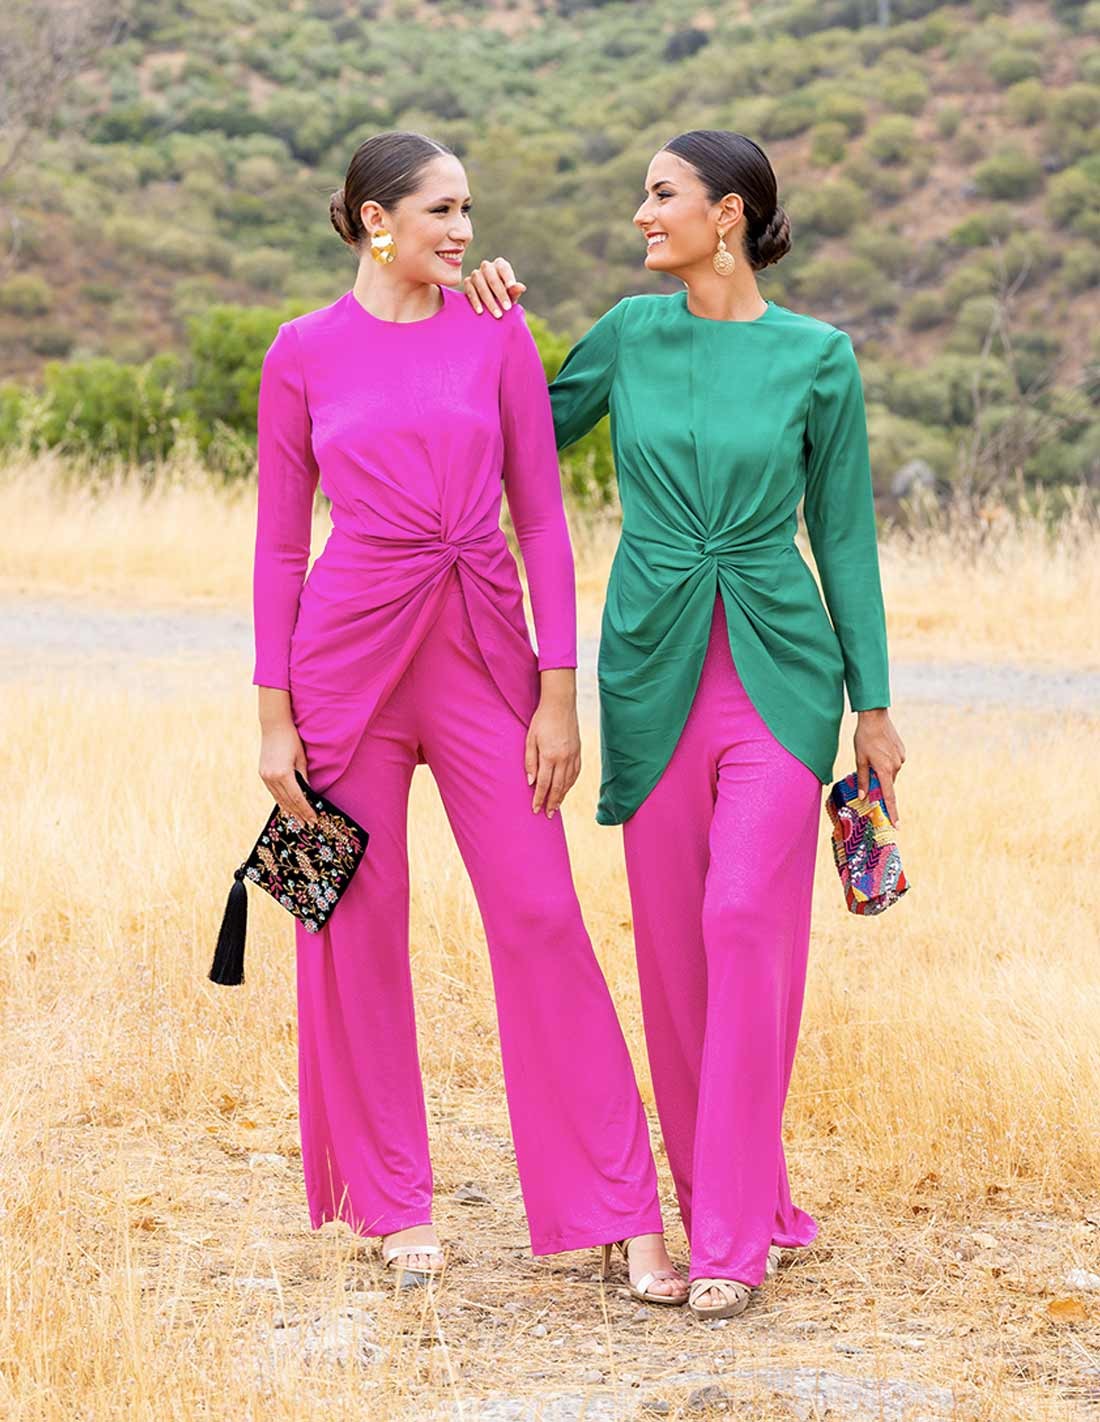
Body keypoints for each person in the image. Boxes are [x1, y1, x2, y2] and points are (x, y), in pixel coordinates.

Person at [463, 129, 906, 1319]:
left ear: (728, 213)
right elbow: (510, 439)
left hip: (781, 671)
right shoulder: (626, 333)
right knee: (671, 956)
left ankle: (730, 1239)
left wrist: (870, 704)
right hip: (652, 669)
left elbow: (843, 536)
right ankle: (739, 1200)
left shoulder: (817, 357)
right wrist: (479, 319)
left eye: (661, 194)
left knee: (742, 918)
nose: (641, 213)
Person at [251, 129, 688, 1301]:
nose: (462, 230)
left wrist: (557, 692)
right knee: (349, 928)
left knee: (542, 915)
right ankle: (392, 1205)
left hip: (484, 654)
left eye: (466, 211)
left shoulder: (495, 332)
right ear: (373, 219)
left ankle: (618, 1212)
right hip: (340, 671)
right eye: (440, 210)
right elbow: (280, 547)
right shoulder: (299, 352)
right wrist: (272, 718)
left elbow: (541, 519)